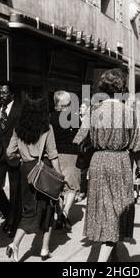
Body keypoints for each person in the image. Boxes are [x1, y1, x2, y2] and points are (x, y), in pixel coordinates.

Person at [74, 69, 140, 262]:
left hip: (98, 161)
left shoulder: (93, 110)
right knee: (117, 210)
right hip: (120, 161)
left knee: (103, 209)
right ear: (121, 87)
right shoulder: (128, 112)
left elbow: (80, 139)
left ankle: (113, 256)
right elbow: (137, 145)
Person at [6, 94, 62, 262]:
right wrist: (59, 177)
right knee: (49, 208)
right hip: (43, 170)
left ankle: (21, 245)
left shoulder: (19, 128)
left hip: (26, 170)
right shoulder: (47, 127)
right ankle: (38, 248)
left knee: (30, 209)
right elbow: (53, 155)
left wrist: (21, 156)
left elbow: (9, 152)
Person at [0, 81, 23, 238]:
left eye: (5, 93)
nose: (1, 95)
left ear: (12, 94)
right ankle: (8, 213)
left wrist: (23, 154)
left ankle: (13, 224)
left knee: (15, 191)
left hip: (15, 155)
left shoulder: (19, 109)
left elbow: (23, 133)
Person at [50, 91, 81, 230]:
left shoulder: (50, 117)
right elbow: (80, 136)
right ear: (65, 104)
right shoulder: (74, 118)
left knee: (57, 186)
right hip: (71, 155)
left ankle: (59, 212)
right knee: (71, 187)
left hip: (54, 155)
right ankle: (65, 212)